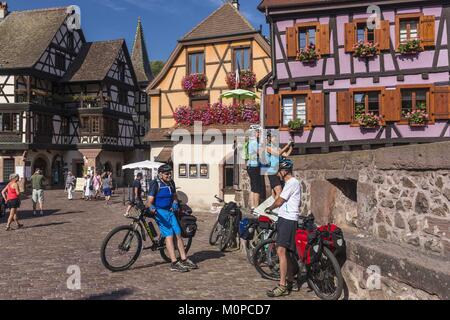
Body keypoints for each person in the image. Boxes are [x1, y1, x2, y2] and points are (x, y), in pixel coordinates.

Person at [146, 164, 198, 272]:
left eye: (170, 173)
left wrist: (175, 202)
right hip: (160, 212)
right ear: (160, 174)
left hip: (170, 211)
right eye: (166, 173)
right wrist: (152, 208)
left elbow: (174, 195)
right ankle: (174, 262)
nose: (169, 175)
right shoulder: (155, 184)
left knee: (178, 234)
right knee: (169, 235)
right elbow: (149, 202)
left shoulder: (171, 183)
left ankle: (184, 259)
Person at [264, 159, 301, 297]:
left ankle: (282, 285)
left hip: (288, 220)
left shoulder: (292, 183)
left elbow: (280, 200)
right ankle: (291, 281)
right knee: (286, 253)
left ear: (284, 171)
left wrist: (270, 207)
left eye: (279, 171)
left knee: (281, 251)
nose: (278, 173)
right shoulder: (288, 183)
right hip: (285, 218)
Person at [262, 132, 294, 199]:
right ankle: (276, 208)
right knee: (279, 191)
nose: (276, 139)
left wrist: (291, 147)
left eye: (276, 137)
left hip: (278, 172)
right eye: (274, 137)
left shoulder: (277, 147)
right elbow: (278, 153)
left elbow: (286, 154)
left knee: (274, 192)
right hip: (272, 171)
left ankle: (272, 207)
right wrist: (287, 146)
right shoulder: (268, 147)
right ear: (269, 138)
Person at [246, 125, 264, 210]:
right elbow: (260, 153)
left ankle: (252, 206)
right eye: (258, 132)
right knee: (257, 188)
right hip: (254, 166)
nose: (259, 133)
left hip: (250, 166)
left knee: (253, 187)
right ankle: (257, 207)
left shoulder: (251, 141)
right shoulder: (254, 142)